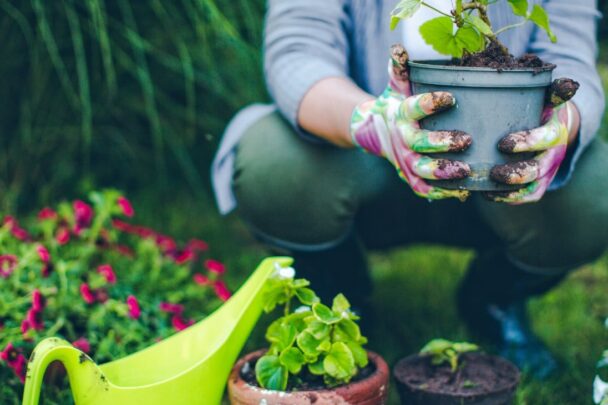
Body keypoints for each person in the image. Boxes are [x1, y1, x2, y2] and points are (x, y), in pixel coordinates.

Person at [212, 0, 608, 378]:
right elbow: (297, 55)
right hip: (360, 161)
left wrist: (563, 123)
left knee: (595, 191)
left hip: (498, 163)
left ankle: (494, 298)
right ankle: (339, 288)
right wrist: (373, 123)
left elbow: (571, 57)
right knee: (274, 164)